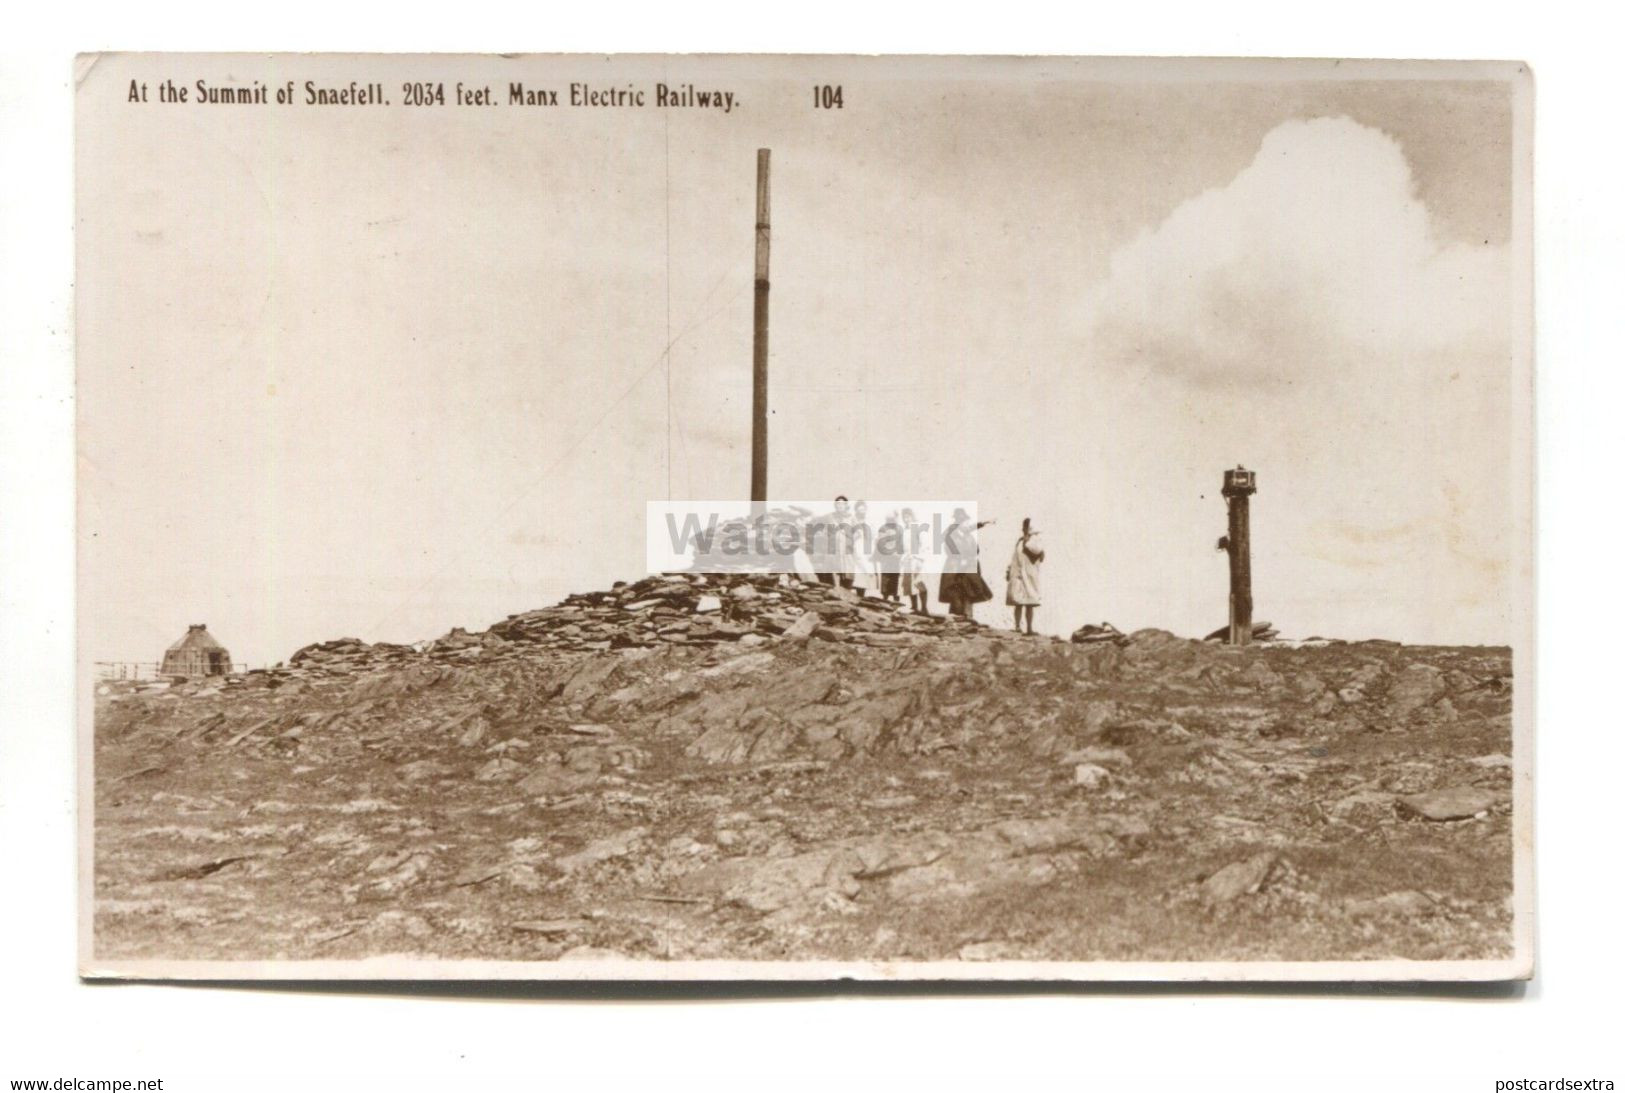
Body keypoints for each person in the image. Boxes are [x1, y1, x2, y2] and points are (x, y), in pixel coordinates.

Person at [938, 508, 995, 621]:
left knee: (970, 592)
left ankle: (967, 617)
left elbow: (975, 546)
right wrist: (960, 560)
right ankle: (957, 618)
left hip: (969, 567)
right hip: (955, 569)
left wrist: (983, 523)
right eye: (964, 521)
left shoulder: (966, 534)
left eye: (966, 521)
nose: (966, 524)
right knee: (956, 592)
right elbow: (950, 550)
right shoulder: (952, 534)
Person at [1005, 517, 1045, 635]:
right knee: (1018, 602)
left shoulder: (1035, 541)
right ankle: (1017, 626)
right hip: (1018, 574)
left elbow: (1040, 555)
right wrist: (1009, 570)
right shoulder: (1020, 541)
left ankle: (1029, 628)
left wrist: (1027, 542)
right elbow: (1015, 557)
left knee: (1029, 603)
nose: (1023, 529)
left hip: (1029, 575)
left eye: (1025, 527)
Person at [848, 500, 878, 597]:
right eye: (859, 510)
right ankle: (857, 595)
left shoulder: (869, 521)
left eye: (863, 509)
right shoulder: (852, 520)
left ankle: (862, 595)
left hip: (867, 547)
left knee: (866, 571)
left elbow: (874, 534)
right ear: (856, 510)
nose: (862, 512)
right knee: (858, 571)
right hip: (856, 547)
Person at [874, 510, 904, 603]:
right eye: (889, 519)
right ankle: (885, 599)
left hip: (896, 559)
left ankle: (896, 600)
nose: (891, 521)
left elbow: (902, 543)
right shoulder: (883, 529)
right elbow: (879, 542)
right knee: (885, 578)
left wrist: (899, 554)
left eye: (893, 519)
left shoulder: (899, 529)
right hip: (886, 558)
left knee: (896, 579)